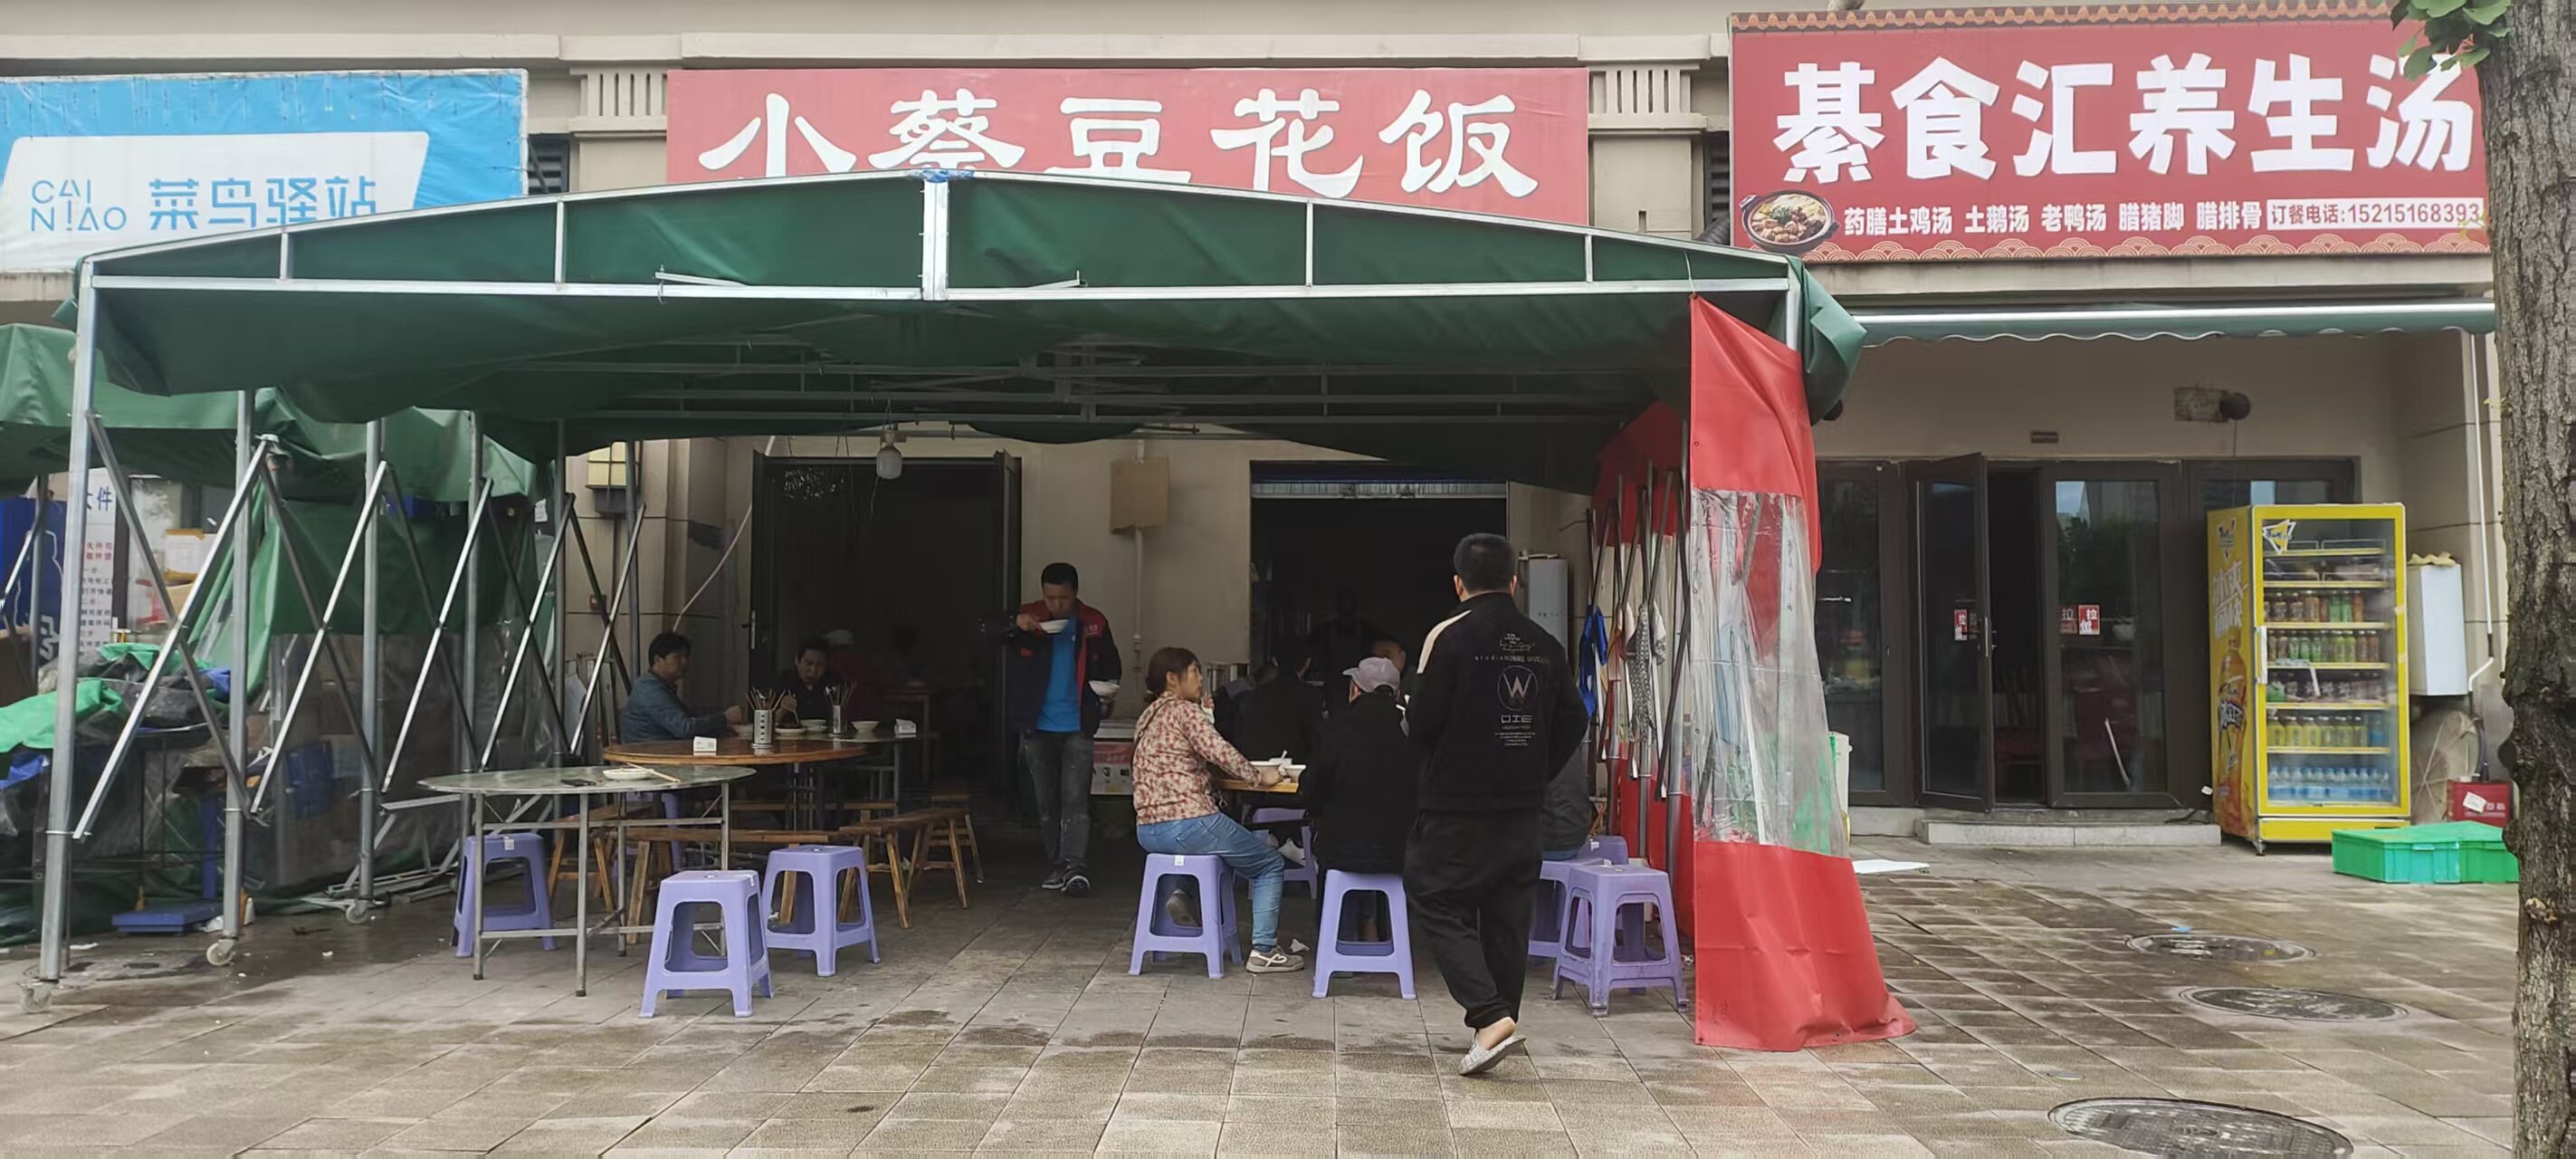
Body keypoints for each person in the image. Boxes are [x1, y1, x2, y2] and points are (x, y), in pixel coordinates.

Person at [1406, 532, 1587, 1076]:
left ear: (1458, 583)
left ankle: (1488, 1017)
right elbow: (1575, 718)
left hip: (1457, 806)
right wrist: (1534, 771)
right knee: (1508, 918)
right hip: (1523, 810)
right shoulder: (1545, 643)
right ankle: (1500, 1023)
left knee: (1433, 894)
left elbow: (1422, 722)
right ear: (1513, 582)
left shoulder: (1447, 636)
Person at [1130, 646, 1305, 973]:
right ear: (1172, 679)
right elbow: (1220, 752)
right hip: (1188, 820)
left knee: (1217, 848)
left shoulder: (1147, 717)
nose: (1200, 679)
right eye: (1194, 671)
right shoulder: (1184, 711)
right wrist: (1259, 776)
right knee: (1269, 864)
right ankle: (1264, 950)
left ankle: (1183, 893)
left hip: (1149, 829)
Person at [992, 561, 1121, 898]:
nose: (1056, 605)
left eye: (1063, 598)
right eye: (1050, 598)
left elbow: (1112, 665)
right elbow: (988, 631)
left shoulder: (1093, 622)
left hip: (1078, 725)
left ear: (1075, 594)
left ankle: (1075, 867)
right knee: (1046, 801)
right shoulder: (1029, 618)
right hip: (1036, 725)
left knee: (1076, 800)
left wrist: (1107, 690)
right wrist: (1015, 621)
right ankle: (1058, 863)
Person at [1297, 656, 1417, 938]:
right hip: (1400, 852)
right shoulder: (1412, 732)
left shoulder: (1334, 729)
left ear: (1355, 690)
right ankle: (1381, 934)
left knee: (1337, 845)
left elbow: (1313, 788)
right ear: (1396, 693)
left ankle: (1338, 939)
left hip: (1342, 850)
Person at [624, 631, 743, 742]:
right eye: (677, 657)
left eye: (686, 656)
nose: (685, 662)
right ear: (658, 660)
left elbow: (690, 717)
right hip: (650, 755)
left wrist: (722, 728)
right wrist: (725, 718)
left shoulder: (660, 686)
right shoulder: (649, 690)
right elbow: (685, 729)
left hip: (662, 752)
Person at [1225, 644, 1324, 764]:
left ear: (1276, 662)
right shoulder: (1309, 695)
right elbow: (1317, 741)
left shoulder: (1255, 693)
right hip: (1292, 768)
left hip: (1254, 766)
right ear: (1308, 662)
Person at [771, 637, 844, 727]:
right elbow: (768, 723)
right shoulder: (784, 680)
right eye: (809, 663)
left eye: (820, 665)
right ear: (797, 660)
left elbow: (845, 720)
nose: (813, 671)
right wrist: (782, 710)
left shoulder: (833, 681)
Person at [1370, 637, 1419, 701]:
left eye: (1387, 656)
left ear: (1402, 657)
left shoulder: (1416, 684)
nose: (1381, 662)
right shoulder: (1366, 684)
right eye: (1376, 657)